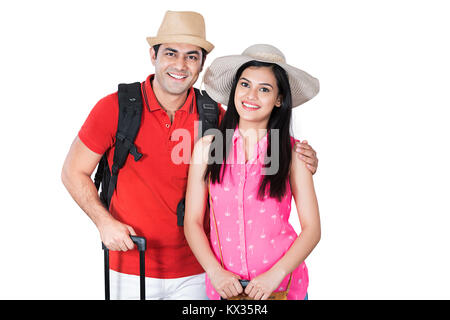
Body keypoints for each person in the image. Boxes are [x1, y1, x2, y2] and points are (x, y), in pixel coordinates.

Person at [61, 10, 319, 300]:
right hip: (133, 263)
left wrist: (302, 157)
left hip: (198, 275)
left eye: (192, 56)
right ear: (153, 56)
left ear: (201, 64)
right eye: (171, 53)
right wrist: (103, 221)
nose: (180, 65)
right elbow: (73, 171)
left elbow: (257, 137)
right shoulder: (116, 109)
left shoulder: (214, 117)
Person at [184, 44, 321, 300]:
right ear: (235, 90)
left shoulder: (294, 155)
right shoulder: (207, 148)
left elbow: (312, 228)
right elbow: (192, 222)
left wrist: (276, 274)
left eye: (265, 89)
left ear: (279, 99)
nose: (251, 95)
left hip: (282, 288)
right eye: (245, 85)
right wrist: (215, 272)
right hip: (225, 288)